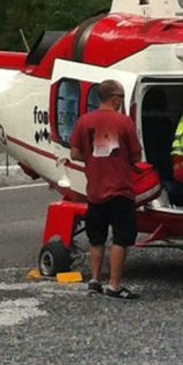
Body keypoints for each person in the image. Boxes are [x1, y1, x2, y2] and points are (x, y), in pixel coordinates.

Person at [70, 79, 142, 300]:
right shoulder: (123, 122)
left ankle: (94, 280)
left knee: (97, 238)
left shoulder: (84, 121)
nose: (121, 100)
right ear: (114, 98)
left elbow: (75, 153)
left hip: (95, 191)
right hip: (120, 190)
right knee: (121, 238)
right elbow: (136, 156)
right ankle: (115, 285)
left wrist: (93, 157)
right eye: (121, 96)